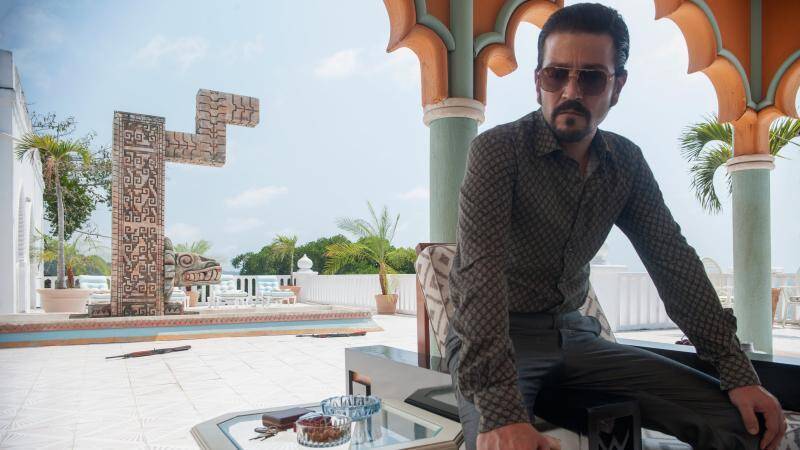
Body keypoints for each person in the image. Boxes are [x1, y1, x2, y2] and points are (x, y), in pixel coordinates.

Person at [446, 3, 787, 450]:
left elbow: (673, 263)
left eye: (591, 78)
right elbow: (479, 276)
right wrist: (500, 409)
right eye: (556, 75)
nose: (570, 91)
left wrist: (739, 374)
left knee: (745, 427)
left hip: (578, 338)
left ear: (617, 86)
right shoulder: (499, 151)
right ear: (537, 82)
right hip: (502, 337)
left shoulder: (625, 163)